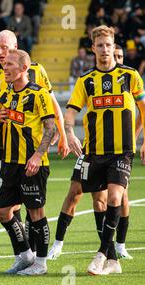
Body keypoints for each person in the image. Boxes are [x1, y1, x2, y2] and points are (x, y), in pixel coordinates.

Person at [0, 30, 69, 267]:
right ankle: (24, 255)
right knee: (8, 207)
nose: (0, 53)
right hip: (5, 150)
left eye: (5, 48)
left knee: (33, 208)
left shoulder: (36, 72)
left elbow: (53, 106)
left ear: (16, 47)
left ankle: (39, 259)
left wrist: (64, 135)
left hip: (32, 152)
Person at [47, 44, 142, 262]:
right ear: (95, 50)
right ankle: (59, 243)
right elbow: (71, 111)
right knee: (76, 193)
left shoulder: (129, 77)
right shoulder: (88, 81)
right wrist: (68, 134)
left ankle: (117, 247)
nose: (112, 55)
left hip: (120, 151)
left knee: (119, 197)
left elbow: (142, 110)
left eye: (118, 54)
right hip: (91, 150)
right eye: (105, 48)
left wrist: (135, 137)